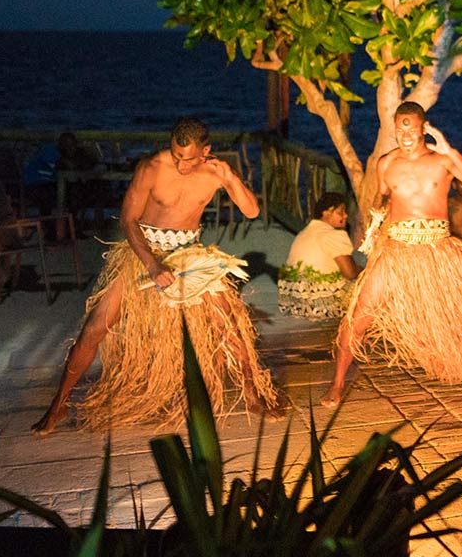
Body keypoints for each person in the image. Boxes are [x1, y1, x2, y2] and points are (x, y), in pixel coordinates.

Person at [32, 117, 287, 434]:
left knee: (231, 325)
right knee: (95, 327)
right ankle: (58, 405)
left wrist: (231, 177)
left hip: (189, 254)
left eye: (189, 158)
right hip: (143, 252)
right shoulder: (152, 167)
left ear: (205, 151)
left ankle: (253, 394)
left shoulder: (216, 172)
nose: (181, 164)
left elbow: (251, 212)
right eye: (177, 156)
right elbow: (128, 221)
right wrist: (152, 264)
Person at [322, 102, 462, 407]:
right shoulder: (386, 163)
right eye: (400, 125)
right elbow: (380, 199)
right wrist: (375, 232)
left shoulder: (442, 161)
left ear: (423, 127)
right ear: (394, 127)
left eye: (411, 125)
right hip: (398, 250)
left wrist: (449, 149)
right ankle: (336, 384)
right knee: (359, 316)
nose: (405, 132)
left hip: (441, 247)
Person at [279, 192, 362, 323]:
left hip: (298, 303)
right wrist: (364, 271)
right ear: (326, 213)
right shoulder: (333, 235)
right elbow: (350, 273)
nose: (345, 216)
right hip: (322, 304)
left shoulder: (303, 233)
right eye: (341, 212)